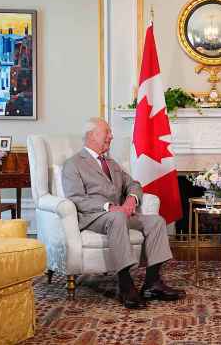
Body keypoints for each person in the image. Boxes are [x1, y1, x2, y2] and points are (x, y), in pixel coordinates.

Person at [62, 117, 185, 309]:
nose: (111, 136)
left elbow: (133, 184)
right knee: (118, 216)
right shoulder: (74, 164)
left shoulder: (111, 162)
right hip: (93, 217)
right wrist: (109, 208)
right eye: (107, 132)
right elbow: (76, 197)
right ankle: (125, 284)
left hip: (120, 215)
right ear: (93, 135)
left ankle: (152, 282)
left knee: (156, 221)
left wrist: (131, 199)